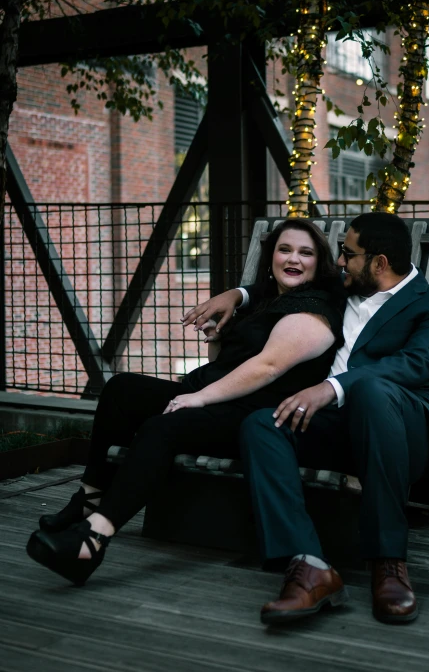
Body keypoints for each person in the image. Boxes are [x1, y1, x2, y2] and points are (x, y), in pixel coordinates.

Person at [26, 219, 348, 614]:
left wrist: (198, 398)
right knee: (120, 390)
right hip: (220, 394)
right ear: (271, 257)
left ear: (320, 263)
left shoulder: (316, 309)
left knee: (163, 427)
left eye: (306, 252)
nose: (293, 259)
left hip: (255, 414)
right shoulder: (265, 297)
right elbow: (230, 359)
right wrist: (219, 336)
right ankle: (90, 499)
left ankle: (92, 541)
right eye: (285, 249)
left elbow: (267, 368)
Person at [181, 212, 429, 625]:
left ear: (380, 263)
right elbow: (280, 284)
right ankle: (309, 564)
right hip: (334, 427)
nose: (339, 263)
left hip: (401, 434)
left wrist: (332, 387)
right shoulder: (342, 287)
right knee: (263, 423)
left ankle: (388, 563)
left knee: (370, 390)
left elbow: (412, 366)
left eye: (348, 254)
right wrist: (236, 295)